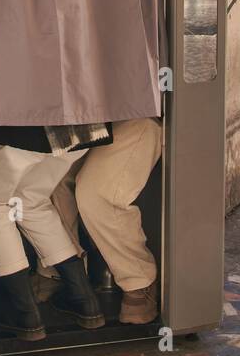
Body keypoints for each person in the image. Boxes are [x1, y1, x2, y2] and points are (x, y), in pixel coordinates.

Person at [0, 123, 107, 341]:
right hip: (83, 126)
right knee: (32, 201)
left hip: (25, 125)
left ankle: (24, 314)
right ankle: (85, 300)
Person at [49, 118, 164, 324]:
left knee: (97, 195)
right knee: (50, 179)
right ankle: (66, 275)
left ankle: (138, 280)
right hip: (87, 116)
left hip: (137, 114)